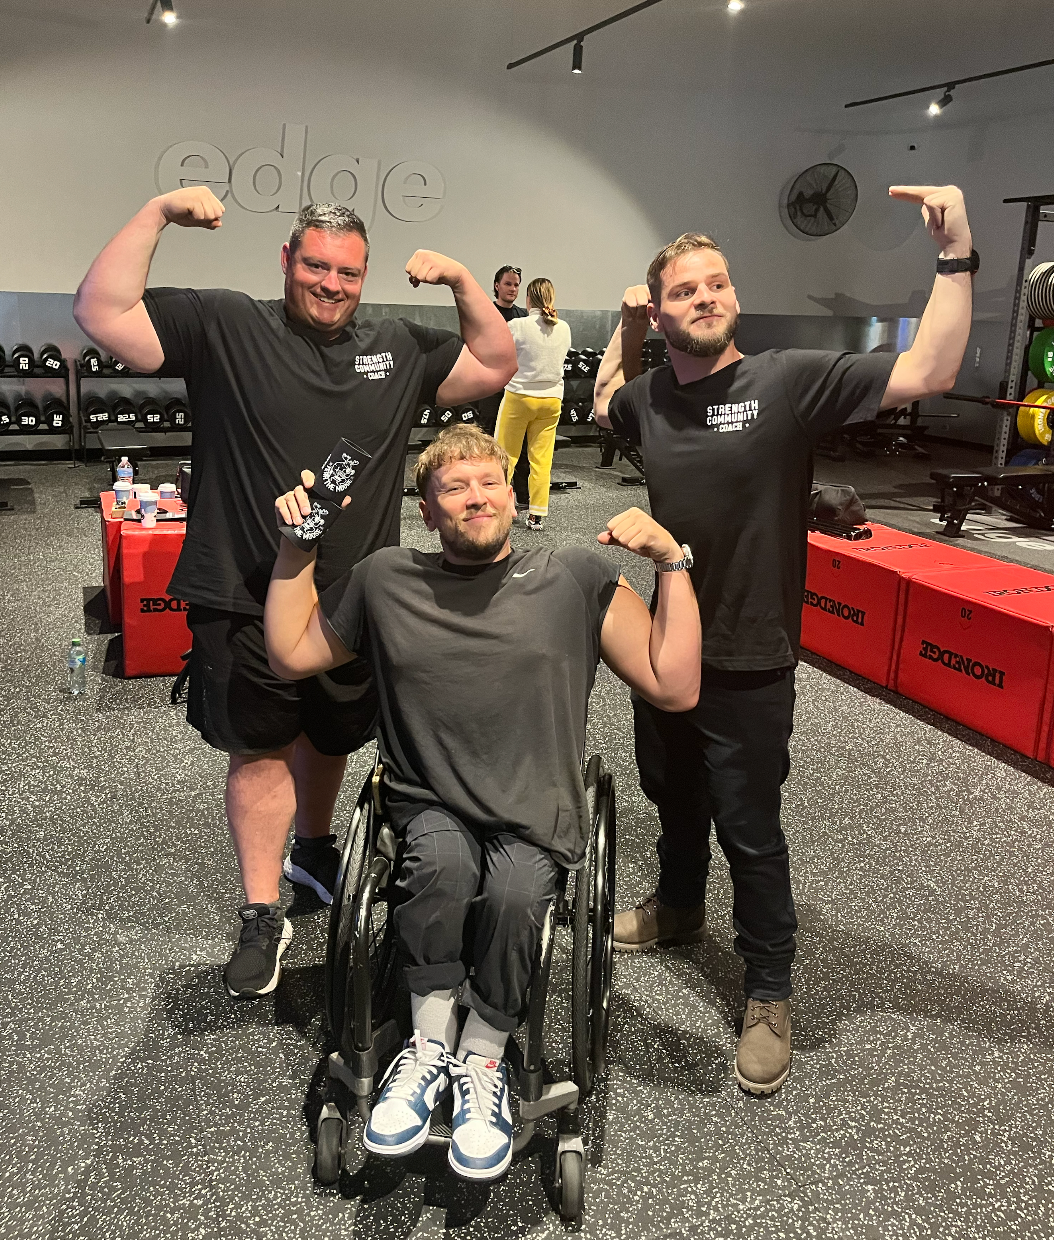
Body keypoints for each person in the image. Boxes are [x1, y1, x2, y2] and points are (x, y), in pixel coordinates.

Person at [73, 190, 516, 1001]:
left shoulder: (398, 345)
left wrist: (460, 279)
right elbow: (102, 313)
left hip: (355, 594)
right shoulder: (225, 324)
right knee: (260, 744)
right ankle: (260, 911)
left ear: (364, 277)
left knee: (331, 730)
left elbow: (495, 364)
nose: (330, 283)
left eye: (347, 272)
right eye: (315, 265)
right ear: (286, 260)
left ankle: (312, 848)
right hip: (244, 586)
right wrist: (157, 213)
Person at [593, 185, 975, 1097]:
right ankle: (679, 906)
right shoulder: (651, 399)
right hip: (667, 642)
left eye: (716, 284)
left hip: (753, 651)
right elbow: (607, 398)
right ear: (663, 309)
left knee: (750, 828)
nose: (705, 298)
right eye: (683, 291)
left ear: (733, 295)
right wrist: (625, 328)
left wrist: (955, 252)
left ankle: (768, 988)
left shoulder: (790, 381)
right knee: (671, 794)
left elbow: (929, 369)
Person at [264, 424, 700, 1180]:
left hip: (536, 805)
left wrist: (673, 563)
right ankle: (429, 1046)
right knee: (440, 869)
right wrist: (296, 546)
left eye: (489, 482)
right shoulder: (385, 579)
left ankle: (485, 1058)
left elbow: (675, 683)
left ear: (513, 495)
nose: (475, 497)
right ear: (427, 511)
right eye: (453, 488)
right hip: (428, 799)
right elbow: (291, 652)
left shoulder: (574, 574)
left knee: (515, 892)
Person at [494, 278, 573, 531]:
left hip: (519, 397)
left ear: (529, 299)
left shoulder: (516, 325)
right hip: (552, 400)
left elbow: (500, 356)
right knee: (541, 460)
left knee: (505, 456)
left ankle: (499, 510)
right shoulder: (564, 328)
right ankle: (537, 514)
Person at [477, 264, 530, 506]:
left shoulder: (524, 317)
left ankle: (523, 496)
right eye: (508, 284)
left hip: (517, 387)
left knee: (520, 443)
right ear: (497, 286)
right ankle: (487, 493)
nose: (513, 289)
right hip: (491, 386)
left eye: (516, 285)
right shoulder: (486, 313)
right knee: (488, 440)